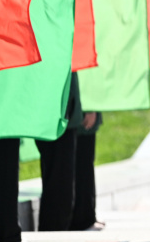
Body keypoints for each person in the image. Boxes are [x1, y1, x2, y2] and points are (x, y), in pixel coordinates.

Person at [37, 74, 103, 232]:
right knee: (62, 173)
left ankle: (78, 220)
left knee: (70, 170)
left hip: (68, 104)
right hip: (61, 106)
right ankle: (67, 224)